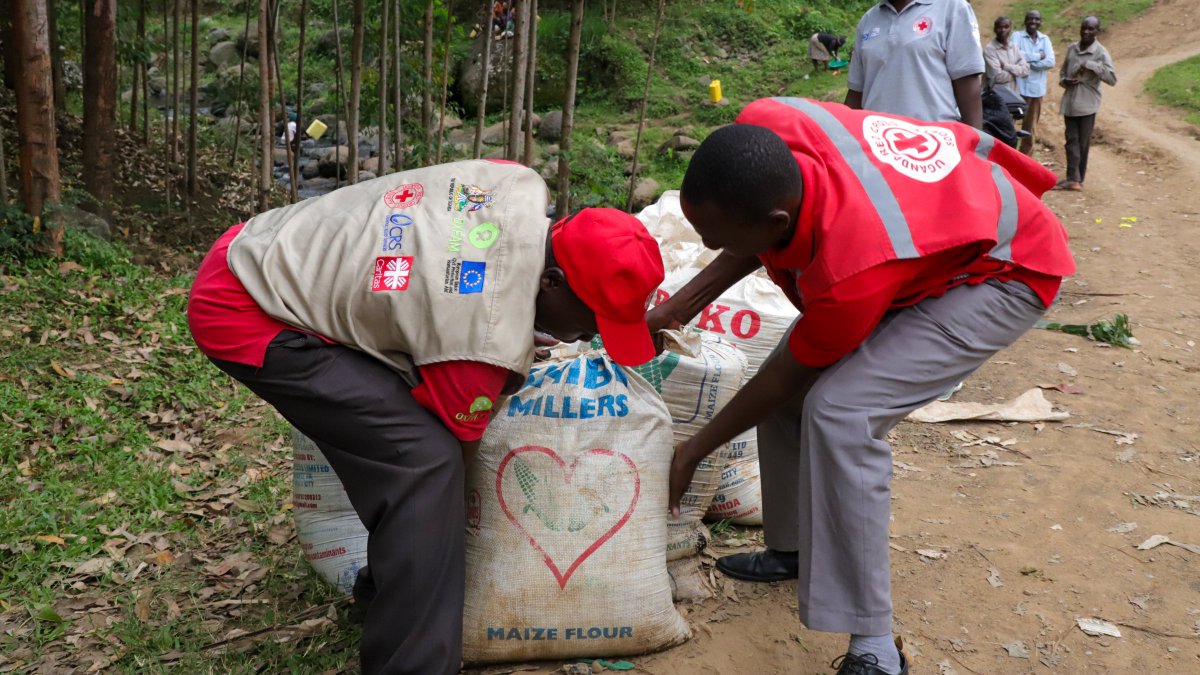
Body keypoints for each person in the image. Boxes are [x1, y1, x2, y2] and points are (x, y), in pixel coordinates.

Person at [187, 159, 665, 674]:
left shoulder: (517, 183)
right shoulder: (480, 338)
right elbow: (462, 447)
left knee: (407, 454)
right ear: (550, 281)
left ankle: (388, 592)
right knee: (428, 465)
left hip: (270, 246)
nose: (586, 338)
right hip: (245, 308)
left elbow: (465, 281)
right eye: (590, 321)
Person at [650, 97, 1074, 675]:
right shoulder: (765, 127)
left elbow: (786, 372)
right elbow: (755, 238)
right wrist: (680, 305)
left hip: (1005, 271)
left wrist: (694, 449)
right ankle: (793, 548)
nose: (705, 245)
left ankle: (875, 646)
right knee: (793, 396)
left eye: (714, 234)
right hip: (932, 240)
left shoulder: (852, 265)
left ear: (777, 224)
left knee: (841, 410)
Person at [845, 0, 985, 129]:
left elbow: (968, 88)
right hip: (878, 144)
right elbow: (856, 93)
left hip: (936, 142)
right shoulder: (868, 20)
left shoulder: (952, 8)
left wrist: (975, 147)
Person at [1056, 16, 1117, 191]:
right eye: (1084, 28)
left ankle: (1076, 178)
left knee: (1081, 142)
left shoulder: (1101, 52)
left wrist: (1093, 66)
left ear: (1097, 32)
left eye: (1091, 29)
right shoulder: (1072, 49)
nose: (1086, 32)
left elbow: (1112, 79)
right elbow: (1062, 73)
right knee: (1070, 141)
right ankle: (1073, 178)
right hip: (1070, 102)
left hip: (1088, 103)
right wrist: (1065, 81)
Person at [1014, 10, 1055, 154]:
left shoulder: (1045, 39)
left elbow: (1050, 62)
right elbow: (1015, 55)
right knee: (1009, 124)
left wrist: (1028, 63)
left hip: (1036, 91)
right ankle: (1007, 156)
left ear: (1040, 22)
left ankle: (1025, 160)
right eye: (1030, 19)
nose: (1033, 22)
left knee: (1030, 128)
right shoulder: (1017, 36)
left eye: (1037, 19)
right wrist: (1038, 56)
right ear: (1025, 21)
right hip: (1016, 89)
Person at [983, 16, 1030, 97]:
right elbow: (997, 77)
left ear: (1010, 29)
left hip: (1014, 96)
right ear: (994, 29)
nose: (1003, 30)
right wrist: (1017, 72)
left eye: (1006, 27)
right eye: (999, 27)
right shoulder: (989, 50)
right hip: (995, 97)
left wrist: (1006, 67)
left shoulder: (1014, 47)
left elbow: (1026, 71)